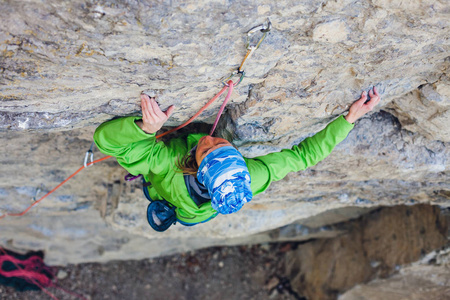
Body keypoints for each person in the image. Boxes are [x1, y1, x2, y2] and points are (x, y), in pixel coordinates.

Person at [94, 87, 381, 230]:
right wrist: (350, 118)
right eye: (221, 145)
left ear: (194, 167)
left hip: (170, 190)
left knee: (150, 170)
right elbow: (303, 156)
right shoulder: (252, 176)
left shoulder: (168, 165)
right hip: (199, 210)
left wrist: (146, 129)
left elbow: (107, 141)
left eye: (206, 150)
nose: (209, 140)